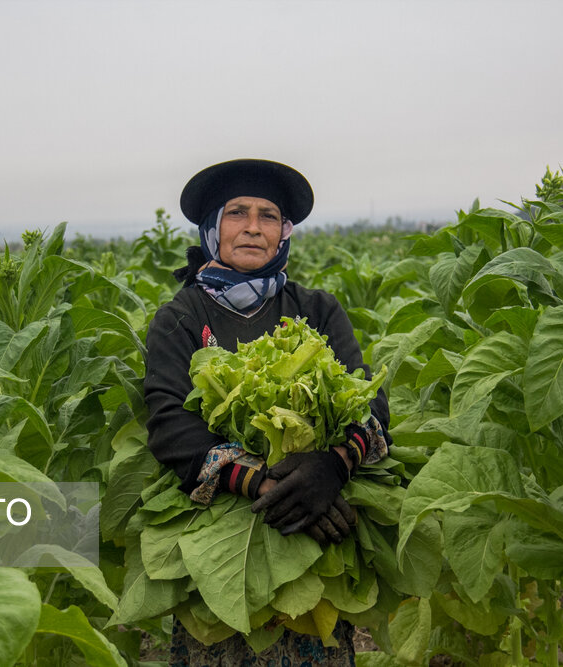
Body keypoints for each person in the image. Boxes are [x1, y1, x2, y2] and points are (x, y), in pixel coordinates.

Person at [143, 158, 391, 666]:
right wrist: (259, 482)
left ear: (284, 232)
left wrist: (334, 466)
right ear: (212, 229)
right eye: (237, 213)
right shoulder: (181, 317)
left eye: (268, 216)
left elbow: (369, 402)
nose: (253, 227)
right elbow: (170, 423)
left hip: (318, 530)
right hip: (224, 525)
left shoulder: (318, 308)